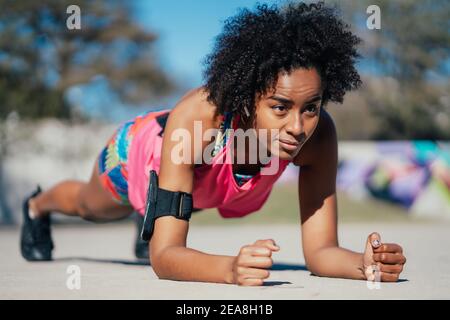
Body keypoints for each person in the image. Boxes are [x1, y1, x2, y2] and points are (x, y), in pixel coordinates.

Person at [20, 2, 406, 286]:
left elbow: (321, 252)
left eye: (311, 107)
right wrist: (229, 270)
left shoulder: (318, 136)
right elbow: (165, 257)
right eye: (279, 107)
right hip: (136, 153)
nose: (298, 126)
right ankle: (37, 206)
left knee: (180, 205)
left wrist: (365, 264)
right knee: (92, 206)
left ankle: (160, 211)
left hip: (197, 188)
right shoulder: (199, 119)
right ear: (246, 98)